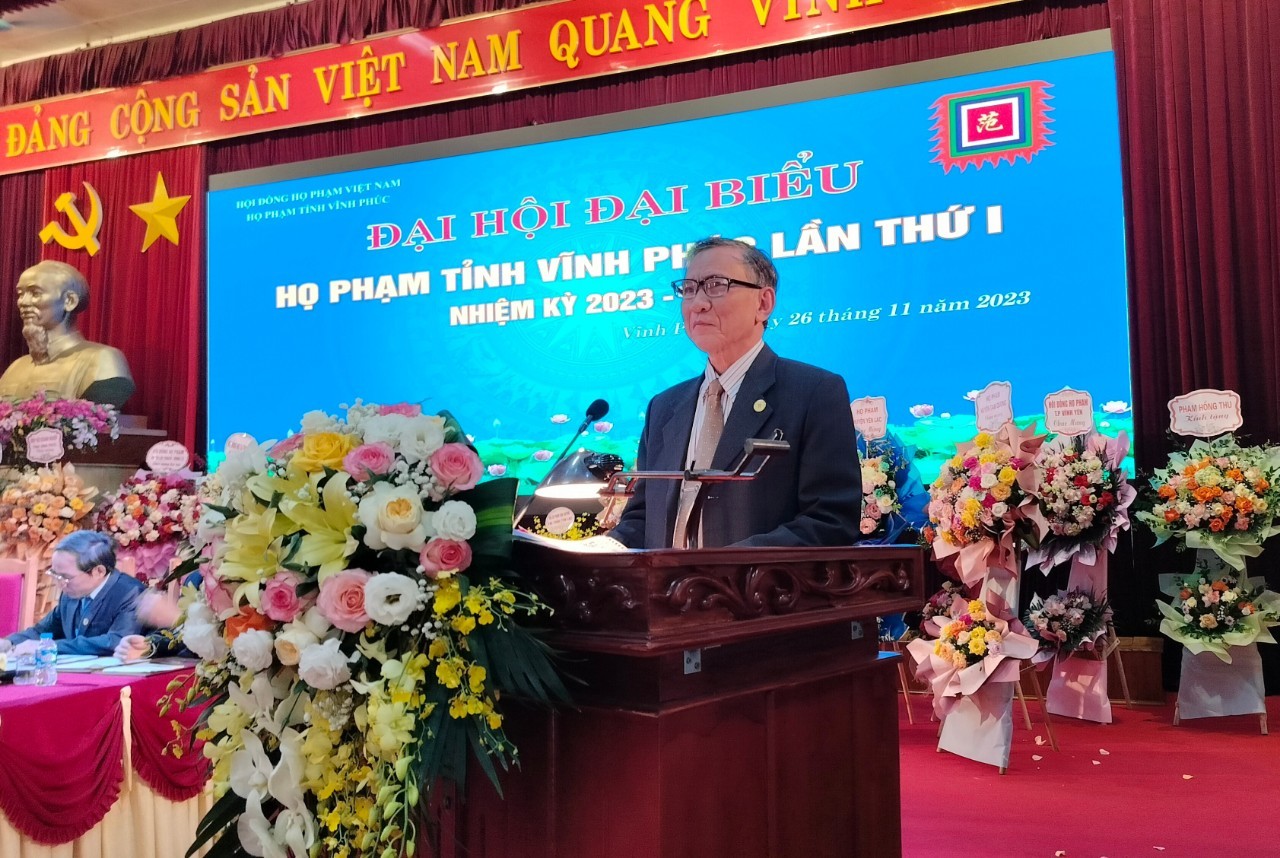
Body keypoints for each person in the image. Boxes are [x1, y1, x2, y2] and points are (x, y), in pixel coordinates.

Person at [608, 236, 861, 549]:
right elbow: (642, 520)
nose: (698, 303)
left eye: (716, 285)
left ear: (763, 303)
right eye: (689, 288)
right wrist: (600, 549)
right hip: (667, 582)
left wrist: (723, 567)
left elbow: (830, 521)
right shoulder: (664, 407)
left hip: (756, 581)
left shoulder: (814, 392)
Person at [0, 260, 135, 408]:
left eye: (35, 293)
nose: (23, 302)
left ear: (69, 301)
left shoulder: (103, 361)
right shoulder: (15, 368)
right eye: (21, 294)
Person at [0, 530, 145, 656]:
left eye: (65, 577)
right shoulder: (71, 592)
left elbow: (117, 641)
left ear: (99, 571)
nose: (59, 583)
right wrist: (9, 642)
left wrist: (49, 646)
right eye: (55, 574)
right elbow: (41, 632)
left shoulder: (131, 593)